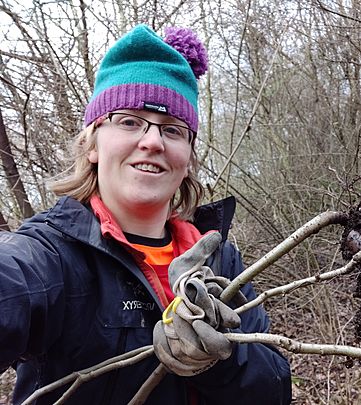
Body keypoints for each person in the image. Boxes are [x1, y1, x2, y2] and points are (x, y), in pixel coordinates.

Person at [0, 24, 292, 404]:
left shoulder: (219, 258)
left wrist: (219, 359)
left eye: (173, 129)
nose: (152, 141)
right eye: (129, 121)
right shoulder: (50, 255)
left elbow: (275, 390)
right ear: (92, 144)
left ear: (187, 158)